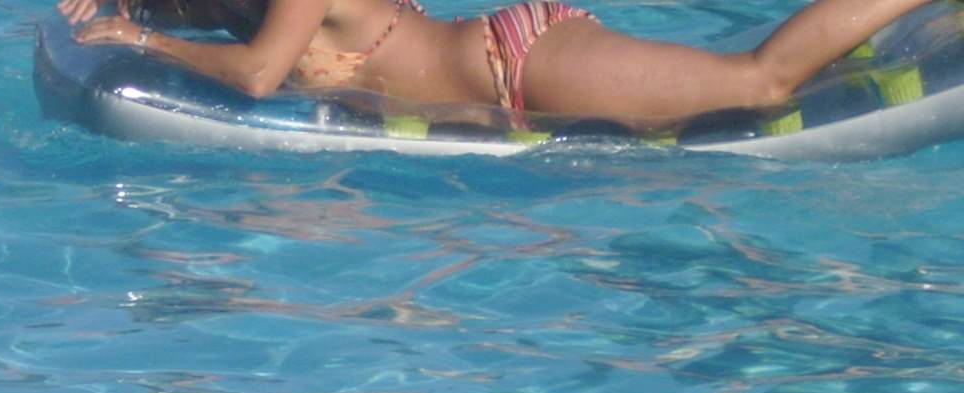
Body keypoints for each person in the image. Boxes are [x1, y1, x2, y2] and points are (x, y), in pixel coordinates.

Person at [55, 0, 936, 126]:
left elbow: (254, 75)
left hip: (519, 65)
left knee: (759, 82)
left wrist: (142, 44)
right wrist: (120, 12)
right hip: (505, 72)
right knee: (746, 85)